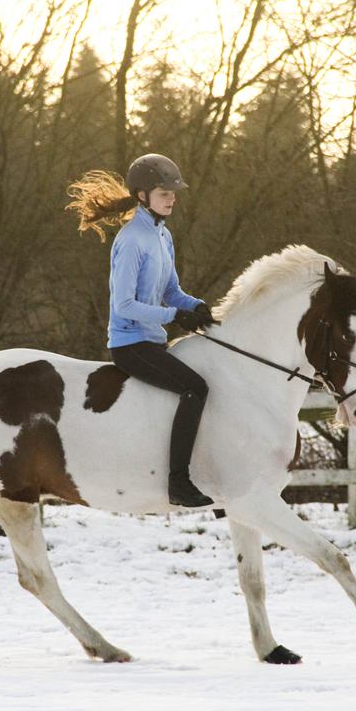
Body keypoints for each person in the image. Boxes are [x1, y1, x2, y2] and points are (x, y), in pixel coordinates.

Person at [66, 154, 218, 508]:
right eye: (165, 192)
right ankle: (178, 483)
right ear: (141, 196)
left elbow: (171, 291)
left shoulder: (162, 236)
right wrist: (174, 315)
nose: (173, 198)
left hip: (153, 340)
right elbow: (124, 305)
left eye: (174, 192)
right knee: (195, 388)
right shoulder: (132, 239)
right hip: (131, 345)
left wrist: (195, 305)